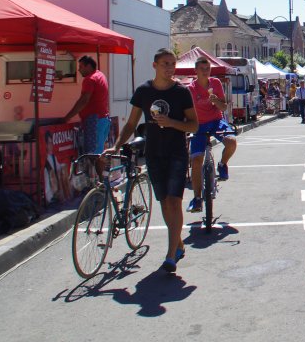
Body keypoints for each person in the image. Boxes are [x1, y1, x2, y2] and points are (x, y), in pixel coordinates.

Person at [109, 48, 197, 273]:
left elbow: (194, 125)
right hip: (153, 153)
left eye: (173, 64)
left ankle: (170, 255)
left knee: (175, 201)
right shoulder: (144, 91)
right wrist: (116, 146)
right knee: (164, 202)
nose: (170, 68)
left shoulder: (182, 92)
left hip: (176, 152)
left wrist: (172, 123)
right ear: (154, 65)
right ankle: (178, 243)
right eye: (165, 64)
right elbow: (131, 124)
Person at [185, 57, 237, 213]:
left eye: (207, 69)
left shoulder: (215, 83)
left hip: (216, 121)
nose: (205, 72)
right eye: (202, 69)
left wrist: (216, 101)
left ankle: (222, 164)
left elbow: (224, 107)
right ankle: (197, 199)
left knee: (231, 141)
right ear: (196, 70)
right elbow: (186, 111)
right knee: (196, 160)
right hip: (198, 124)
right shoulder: (191, 89)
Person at [62, 56, 112, 156]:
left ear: (88, 66)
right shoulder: (100, 75)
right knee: (99, 153)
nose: (79, 70)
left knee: (93, 155)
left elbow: (83, 100)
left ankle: (96, 167)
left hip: (94, 121)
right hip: (104, 119)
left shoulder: (90, 79)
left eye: (81, 67)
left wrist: (67, 117)